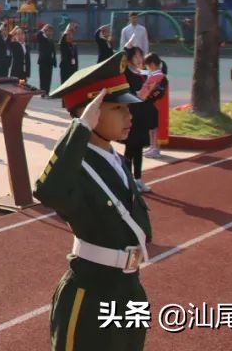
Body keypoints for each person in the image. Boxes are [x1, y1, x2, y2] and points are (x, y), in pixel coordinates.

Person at [34, 52, 151, 351]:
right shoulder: (77, 167)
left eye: (128, 108)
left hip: (129, 288)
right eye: (117, 109)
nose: (129, 116)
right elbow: (49, 192)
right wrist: (80, 128)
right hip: (92, 293)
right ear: (92, 113)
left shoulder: (114, 159)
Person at [122, 48, 163, 193]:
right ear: (130, 58)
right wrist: (136, 94)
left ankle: (138, 179)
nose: (139, 58)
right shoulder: (127, 72)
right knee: (130, 148)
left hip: (143, 113)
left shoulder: (145, 74)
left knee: (139, 147)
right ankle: (127, 180)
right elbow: (126, 91)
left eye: (140, 55)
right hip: (132, 113)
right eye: (136, 56)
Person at [36, 25, 57, 93]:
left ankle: (47, 92)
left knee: (48, 78)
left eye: (51, 32)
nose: (50, 33)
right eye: (49, 31)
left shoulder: (51, 40)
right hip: (43, 62)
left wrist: (54, 62)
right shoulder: (42, 38)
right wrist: (43, 28)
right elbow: (38, 34)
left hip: (49, 62)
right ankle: (43, 92)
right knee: (43, 78)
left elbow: (53, 52)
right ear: (46, 31)